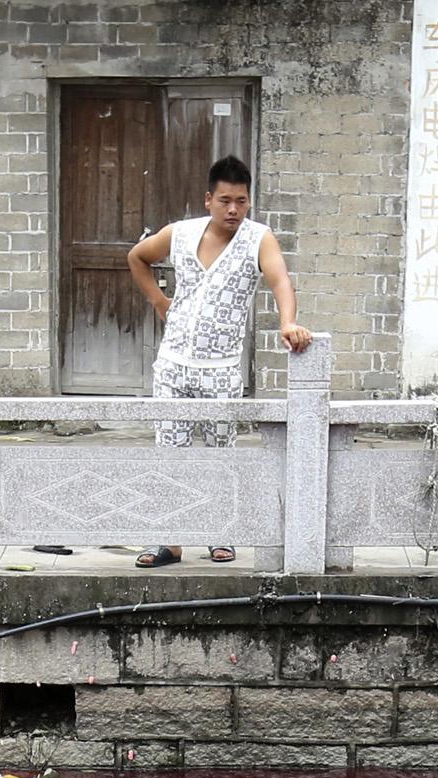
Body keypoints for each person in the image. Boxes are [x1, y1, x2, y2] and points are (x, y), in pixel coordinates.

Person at [124, 154, 309, 568]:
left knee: (219, 451)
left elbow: (279, 278)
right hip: (173, 364)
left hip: (222, 369)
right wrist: (159, 301)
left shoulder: (259, 238)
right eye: (225, 200)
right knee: (170, 449)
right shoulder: (181, 233)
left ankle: (218, 533)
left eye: (241, 201)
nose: (233, 210)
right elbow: (138, 257)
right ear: (208, 199)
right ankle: (168, 542)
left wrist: (289, 322)